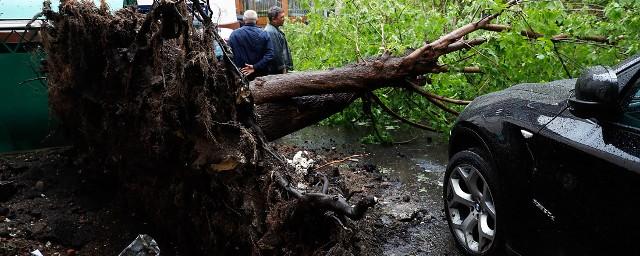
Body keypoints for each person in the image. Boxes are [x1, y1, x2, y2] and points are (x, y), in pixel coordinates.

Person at [228, 10, 274, 80]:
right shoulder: (264, 34)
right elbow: (270, 54)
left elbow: (229, 55)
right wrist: (255, 67)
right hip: (260, 77)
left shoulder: (234, 35)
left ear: (243, 19)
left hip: (240, 76)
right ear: (257, 19)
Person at [264, 6, 293, 74]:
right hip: (277, 72)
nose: (284, 19)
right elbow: (277, 54)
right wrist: (283, 69)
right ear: (274, 19)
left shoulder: (274, 29)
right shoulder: (271, 32)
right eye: (281, 17)